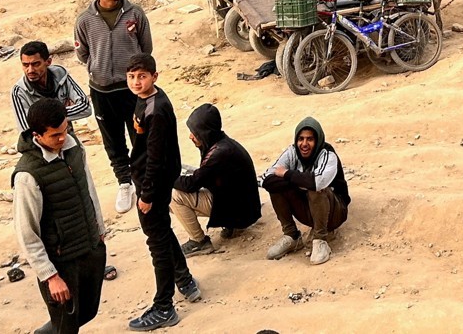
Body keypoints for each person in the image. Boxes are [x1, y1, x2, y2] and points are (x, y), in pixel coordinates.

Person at [13, 98, 107, 334]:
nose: (63, 138)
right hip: (61, 262)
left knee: (87, 312)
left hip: (89, 248)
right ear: (37, 135)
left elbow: (89, 188)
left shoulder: (73, 146)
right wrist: (49, 275)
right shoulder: (27, 176)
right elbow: (27, 231)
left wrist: (99, 231)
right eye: (55, 135)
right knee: (66, 326)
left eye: (64, 130)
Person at [125, 53, 201, 330]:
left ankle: (164, 306)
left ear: (154, 77)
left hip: (152, 184)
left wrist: (146, 196)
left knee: (156, 242)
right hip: (150, 178)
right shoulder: (147, 99)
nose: (136, 81)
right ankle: (185, 281)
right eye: (132, 77)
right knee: (163, 232)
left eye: (142, 76)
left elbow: (155, 158)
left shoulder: (156, 109)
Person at [74, 0, 152, 213]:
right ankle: (124, 182)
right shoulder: (85, 20)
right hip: (102, 91)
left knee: (140, 136)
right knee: (113, 140)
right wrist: (100, 68)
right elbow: (82, 53)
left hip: (133, 91)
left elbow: (145, 48)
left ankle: (144, 183)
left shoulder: (135, 14)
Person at [171, 104, 261, 256]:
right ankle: (230, 225)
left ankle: (199, 241)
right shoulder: (222, 143)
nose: (191, 136)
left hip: (241, 212)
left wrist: (165, 177)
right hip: (245, 206)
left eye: (195, 133)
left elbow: (191, 185)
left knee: (174, 196)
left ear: (205, 132)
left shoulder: (219, 153)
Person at [262, 117, 350, 266]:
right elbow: (266, 178)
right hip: (309, 209)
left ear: (318, 140)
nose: (304, 144)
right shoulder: (292, 152)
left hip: (334, 212)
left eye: (310, 139)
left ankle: (321, 239)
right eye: (301, 139)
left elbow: (317, 182)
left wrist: (288, 174)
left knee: (316, 189)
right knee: (275, 187)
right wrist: (298, 181)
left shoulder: (327, 154)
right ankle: (292, 236)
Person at [12, 40, 92, 133]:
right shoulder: (19, 92)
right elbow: (26, 131)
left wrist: (41, 118)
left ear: (48, 62)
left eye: (36, 64)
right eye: (25, 65)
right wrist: (61, 112)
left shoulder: (61, 76)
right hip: (40, 145)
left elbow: (85, 107)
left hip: (67, 136)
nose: (30, 70)